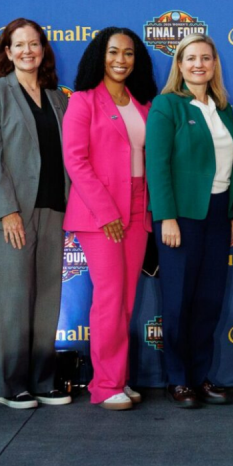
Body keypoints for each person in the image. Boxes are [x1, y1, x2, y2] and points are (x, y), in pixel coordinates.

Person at [0, 18, 71, 409]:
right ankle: (11, 386)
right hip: (10, 212)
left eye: (34, 44)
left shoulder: (58, 98)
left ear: (43, 50)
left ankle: (43, 381)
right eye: (19, 44)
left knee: (47, 298)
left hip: (54, 207)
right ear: (8, 52)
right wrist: (7, 211)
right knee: (13, 300)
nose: (28, 51)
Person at [62, 27, 158, 411]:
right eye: (113, 51)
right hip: (100, 212)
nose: (121, 59)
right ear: (100, 56)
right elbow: (76, 160)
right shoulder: (83, 101)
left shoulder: (143, 103)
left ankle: (117, 377)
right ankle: (104, 385)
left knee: (126, 300)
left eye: (129, 53)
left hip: (138, 207)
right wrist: (106, 212)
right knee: (109, 298)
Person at [146, 33, 233, 408]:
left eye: (205, 58)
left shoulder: (224, 109)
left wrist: (232, 214)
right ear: (180, 65)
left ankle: (200, 376)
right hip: (181, 216)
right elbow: (157, 166)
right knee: (178, 300)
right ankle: (178, 379)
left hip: (218, 214)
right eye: (191, 58)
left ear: (214, 65)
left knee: (209, 300)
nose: (198, 64)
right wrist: (166, 217)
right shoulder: (167, 105)